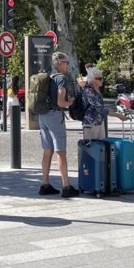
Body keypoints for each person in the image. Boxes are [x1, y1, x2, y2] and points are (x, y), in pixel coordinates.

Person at [38, 52, 79, 197]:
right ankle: (66, 186)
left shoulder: (47, 75)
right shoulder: (60, 78)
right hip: (55, 116)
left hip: (42, 115)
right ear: (60, 63)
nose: (67, 65)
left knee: (47, 151)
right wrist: (70, 103)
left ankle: (45, 184)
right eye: (66, 62)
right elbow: (60, 101)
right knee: (60, 151)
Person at [80, 66, 125, 141]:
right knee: (91, 149)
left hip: (99, 122)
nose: (102, 80)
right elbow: (99, 108)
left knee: (101, 148)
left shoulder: (97, 90)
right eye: (99, 79)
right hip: (91, 123)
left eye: (102, 78)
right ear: (92, 79)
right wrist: (118, 115)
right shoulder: (88, 91)